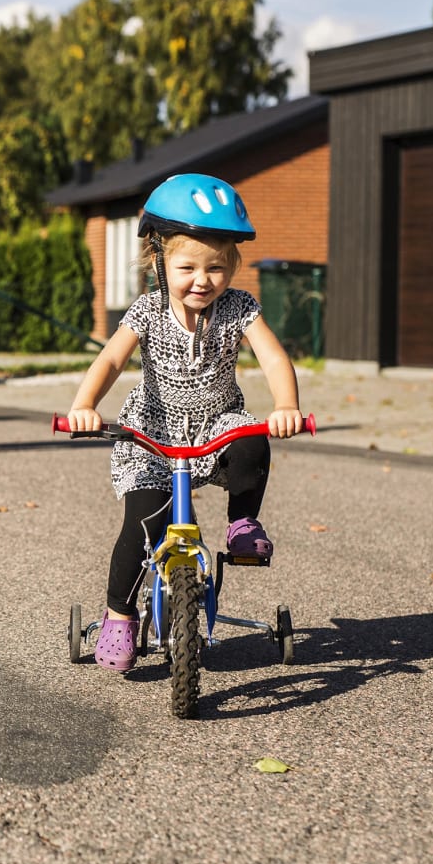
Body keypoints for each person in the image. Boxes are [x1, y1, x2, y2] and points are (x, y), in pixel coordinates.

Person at [65, 173, 306, 672]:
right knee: (142, 526)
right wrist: (85, 403)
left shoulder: (239, 307)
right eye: (188, 266)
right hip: (151, 438)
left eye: (216, 267)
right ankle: (119, 617)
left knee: (253, 440)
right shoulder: (148, 311)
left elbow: (274, 358)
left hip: (216, 427)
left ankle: (242, 521)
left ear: (232, 265)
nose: (203, 279)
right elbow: (110, 361)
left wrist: (285, 405)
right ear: (159, 261)